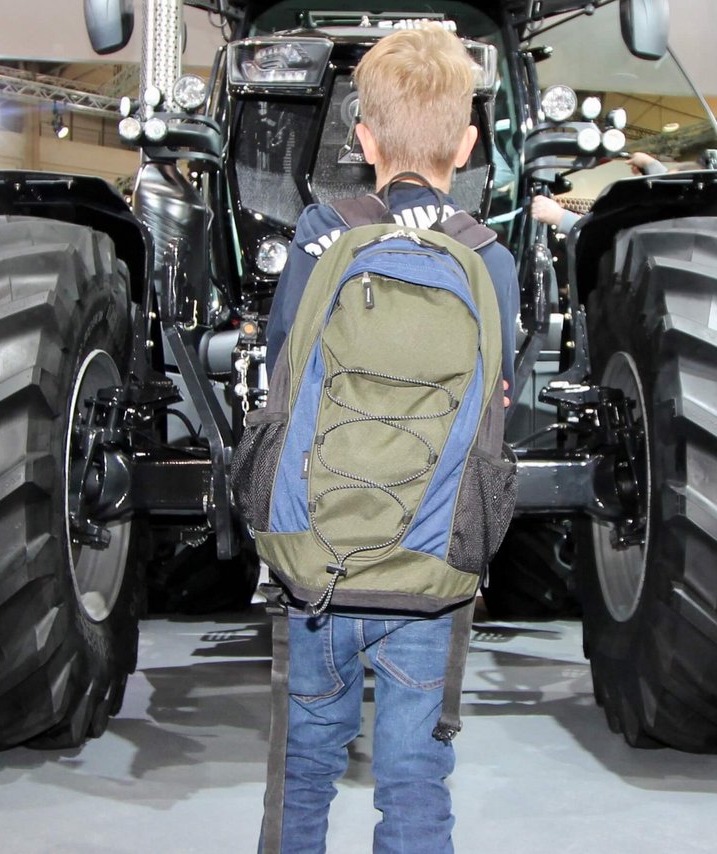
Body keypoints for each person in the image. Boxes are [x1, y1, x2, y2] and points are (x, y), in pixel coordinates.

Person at [259, 24, 519, 854]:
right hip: (432, 567)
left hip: (317, 567)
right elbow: (502, 396)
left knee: (303, 769)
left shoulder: (316, 233)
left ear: (361, 137)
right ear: (469, 143)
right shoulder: (489, 255)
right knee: (414, 779)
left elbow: (280, 367)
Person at [530, 150, 670, 230]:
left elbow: (604, 236)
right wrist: (651, 164)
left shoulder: (660, 227)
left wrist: (560, 217)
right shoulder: (686, 204)